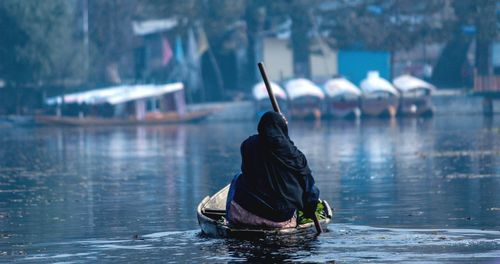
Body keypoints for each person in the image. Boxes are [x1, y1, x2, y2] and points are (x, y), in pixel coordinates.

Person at [226, 111, 320, 228]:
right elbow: (310, 190)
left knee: (237, 177)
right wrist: (309, 211)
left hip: (245, 214)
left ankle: (230, 219)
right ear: (283, 130)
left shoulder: (248, 145)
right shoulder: (296, 156)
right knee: (305, 186)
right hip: (280, 219)